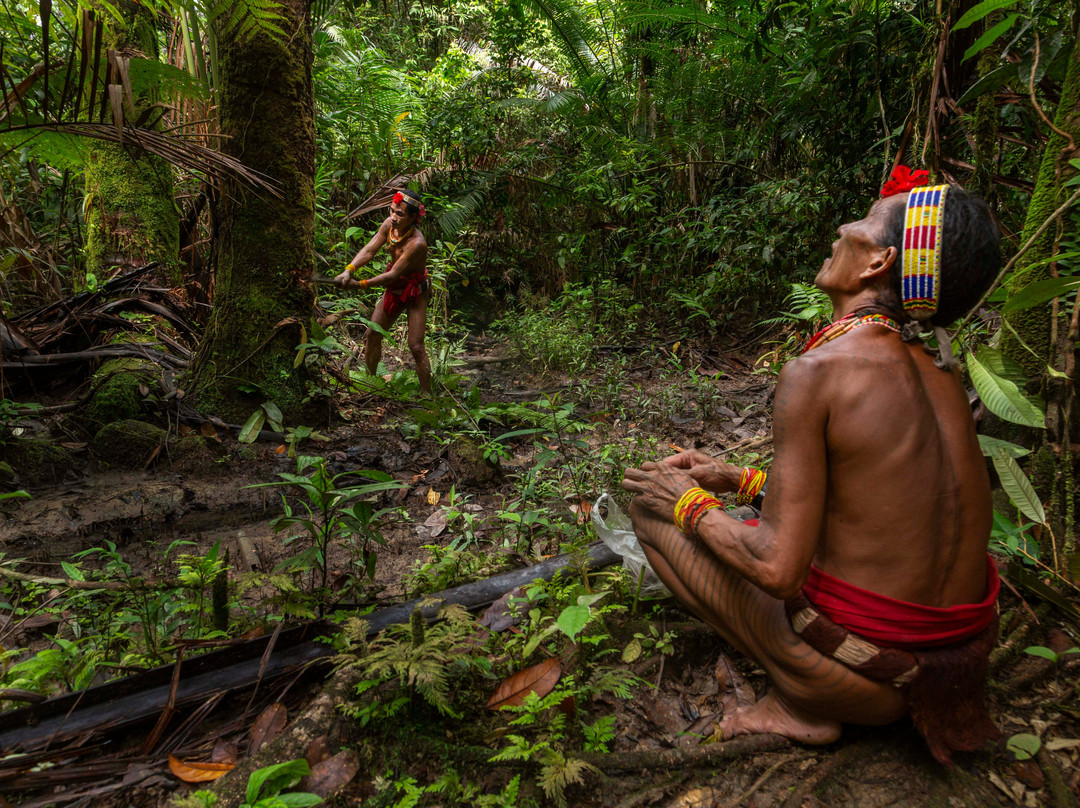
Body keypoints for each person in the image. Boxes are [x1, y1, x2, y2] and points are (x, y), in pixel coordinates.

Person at [621, 167, 1003, 765]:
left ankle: (798, 705)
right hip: (955, 670)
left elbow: (776, 567)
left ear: (877, 262)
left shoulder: (818, 372)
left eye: (865, 220)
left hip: (861, 683)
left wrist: (685, 500)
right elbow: (876, 502)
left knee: (649, 511)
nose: (843, 228)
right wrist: (739, 479)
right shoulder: (944, 375)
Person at [335, 189, 432, 396]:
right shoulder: (389, 225)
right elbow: (370, 250)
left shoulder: (417, 243)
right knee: (372, 335)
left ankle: (427, 395)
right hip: (395, 289)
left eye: (400, 214)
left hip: (415, 291)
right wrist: (348, 270)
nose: (394, 217)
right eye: (392, 211)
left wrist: (359, 284)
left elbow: (392, 275)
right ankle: (371, 385)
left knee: (415, 346)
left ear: (414, 217)